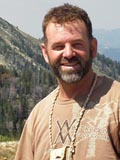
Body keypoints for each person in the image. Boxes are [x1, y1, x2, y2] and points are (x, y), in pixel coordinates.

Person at [14, 3, 120, 160]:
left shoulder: (116, 102)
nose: (69, 53)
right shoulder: (38, 116)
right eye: (58, 46)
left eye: (77, 44)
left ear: (93, 47)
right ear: (45, 53)